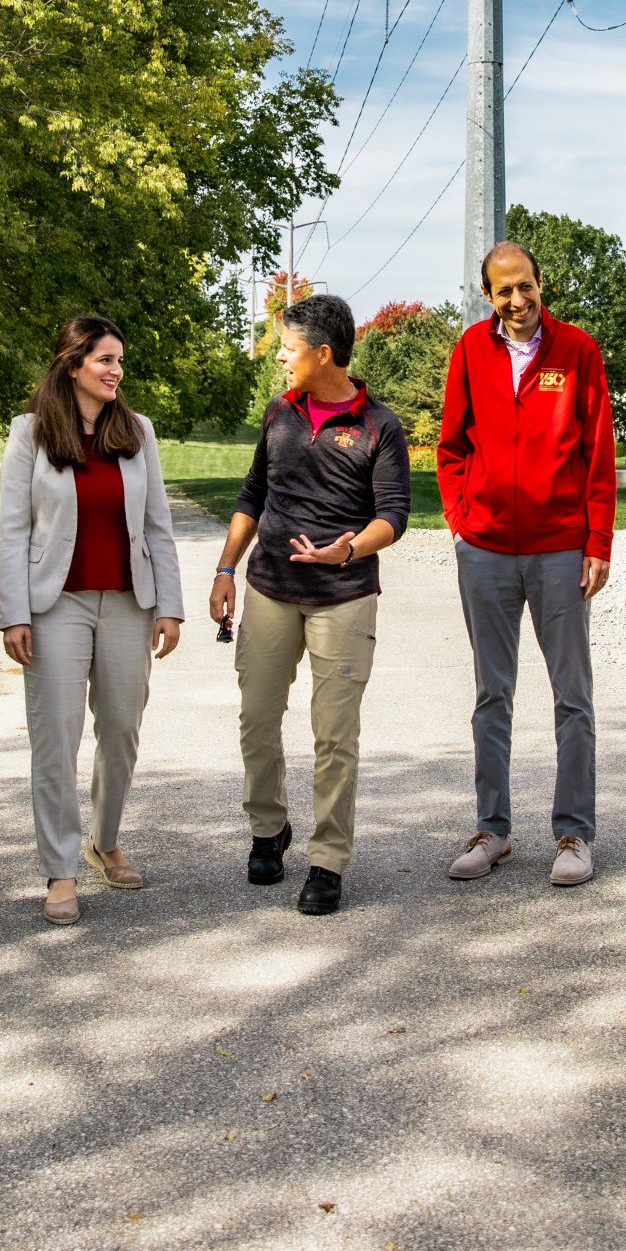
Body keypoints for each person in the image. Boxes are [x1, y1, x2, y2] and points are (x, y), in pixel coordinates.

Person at [208, 293, 409, 917]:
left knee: (334, 734)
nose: (281, 361)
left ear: (323, 354)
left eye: (289, 349)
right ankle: (268, 829)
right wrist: (225, 569)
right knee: (258, 718)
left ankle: (327, 861)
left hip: (343, 597)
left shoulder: (381, 425)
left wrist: (347, 551)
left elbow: (393, 517)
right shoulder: (279, 414)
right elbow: (251, 496)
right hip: (269, 588)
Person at [436, 240, 616, 889]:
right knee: (492, 693)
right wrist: (461, 520)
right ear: (488, 295)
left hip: (559, 546)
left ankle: (573, 833)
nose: (518, 299)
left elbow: (597, 452)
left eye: (526, 286)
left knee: (572, 696)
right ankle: (492, 829)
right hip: (484, 548)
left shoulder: (577, 351)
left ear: (542, 284)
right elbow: (450, 444)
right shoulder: (468, 350)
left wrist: (598, 542)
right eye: (504, 290)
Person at [0, 315, 184, 927]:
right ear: (73, 364)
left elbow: (158, 523)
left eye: (119, 361)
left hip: (129, 601)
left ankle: (106, 840)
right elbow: (13, 530)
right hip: (57, 605)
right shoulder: (30, 434)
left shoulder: (138, 431)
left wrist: (170, 605)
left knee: (123, 726)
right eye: (104, 359)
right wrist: (13, 613)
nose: (115, 371)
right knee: (56, 737)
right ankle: (60, 869)